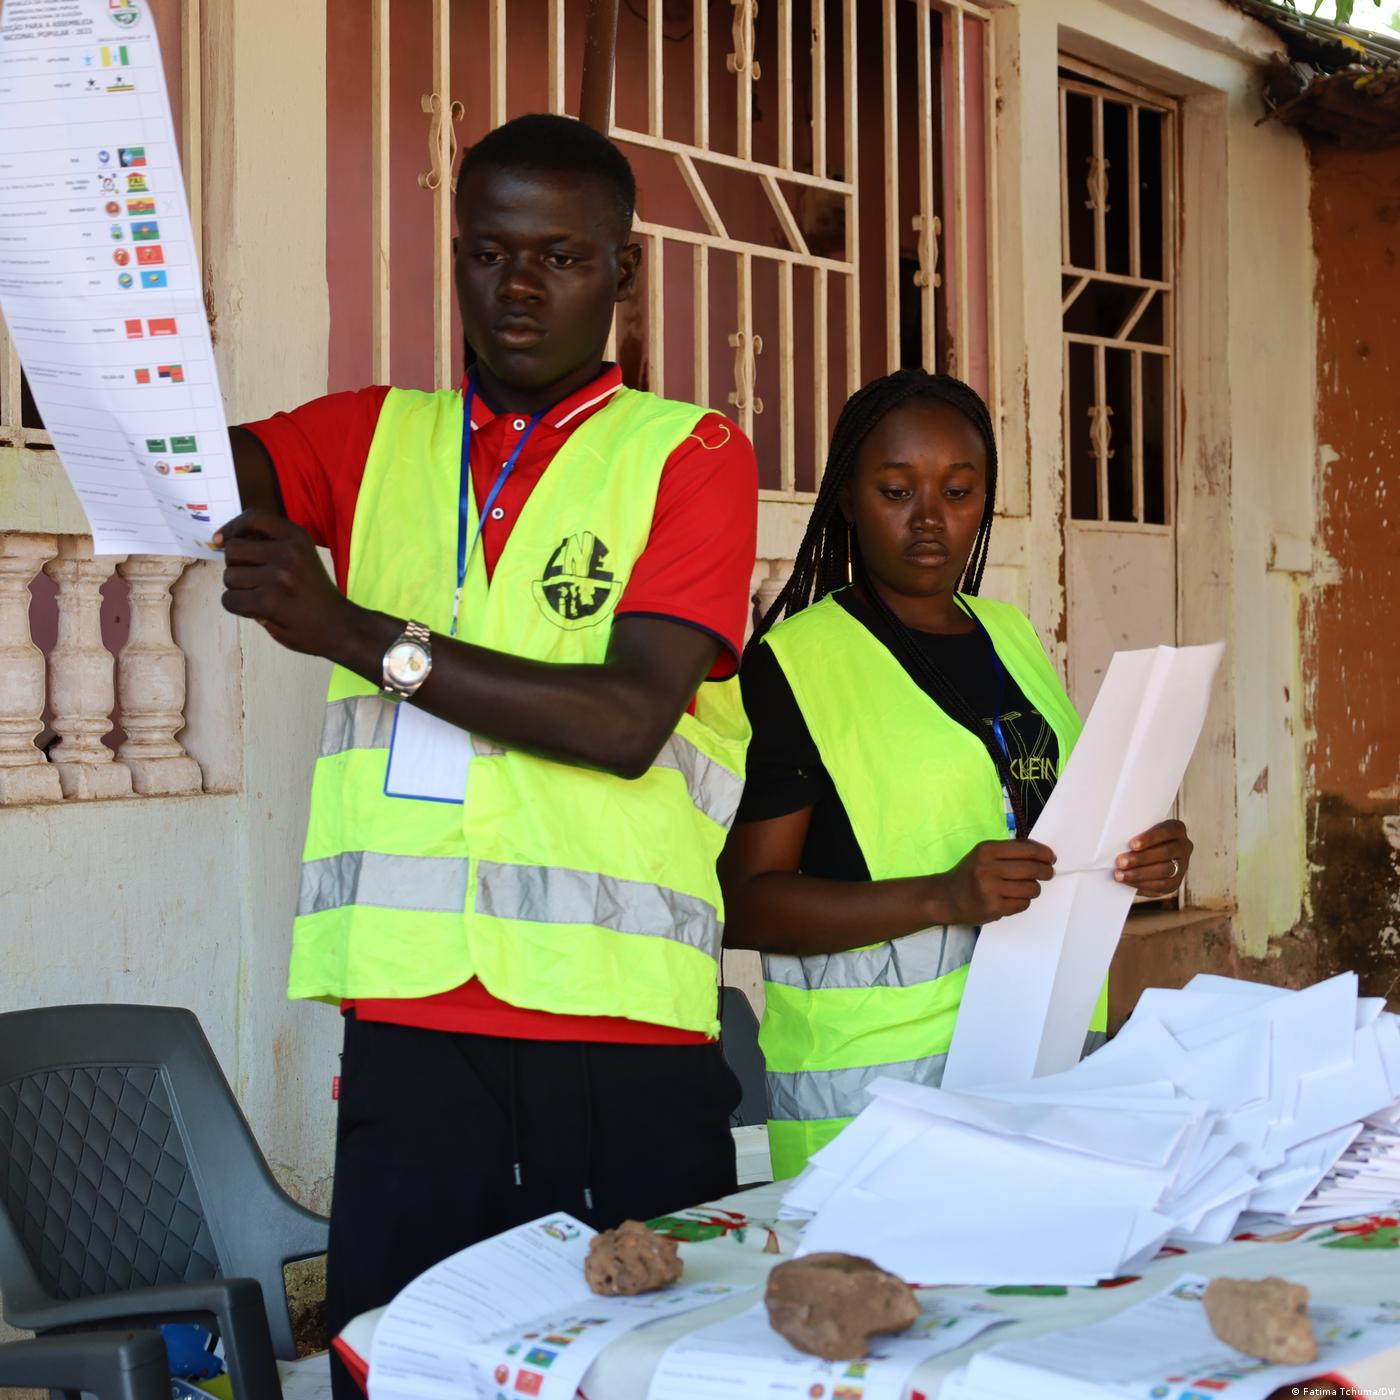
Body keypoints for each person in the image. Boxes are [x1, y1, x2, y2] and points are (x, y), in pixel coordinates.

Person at [215, 114, 756, 1393]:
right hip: (411, 1015)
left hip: (615, 1033)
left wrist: (351, 631)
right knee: (396, 1363)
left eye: (561, 256)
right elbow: (178, 466)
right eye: (486, 251)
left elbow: (628, 723)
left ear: (623, 274)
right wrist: (107, 323)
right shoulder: (365, 436)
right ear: (453, 256)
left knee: (628, 1370)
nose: (517, 286)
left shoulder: (690, 454)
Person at [718, 368, 1193, 1181]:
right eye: (897, 490)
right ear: (846, 499)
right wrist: (941, 896)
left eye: (960, 491)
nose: (930, 519)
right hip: (877, 1105)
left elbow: (1050, 819)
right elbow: (742, 903)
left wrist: (1146, 857)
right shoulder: (794, 664)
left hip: (1047, 1063)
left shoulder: (1010, 636)